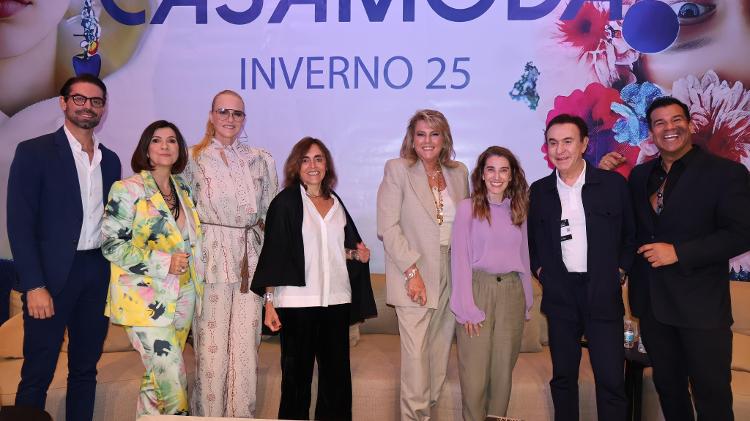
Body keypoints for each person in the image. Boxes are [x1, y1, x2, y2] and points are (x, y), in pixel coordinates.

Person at [601, 96, 750, 421]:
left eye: (676, 120)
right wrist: (604, 177)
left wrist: (679, 252)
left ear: (690, 124)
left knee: (712, 400)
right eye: (659, 123)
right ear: (651, 132)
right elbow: (625, 226)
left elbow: (742, 233)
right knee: (669, 394)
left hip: (702, 310)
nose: (669, 128)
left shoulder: (726, 173)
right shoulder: (640, 176)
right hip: (653, 308)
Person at [6, 73, 121, 421]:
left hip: (96, 273)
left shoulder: (111, 160)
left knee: (85, 369)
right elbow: (20, 225)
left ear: (103, 109)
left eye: (96, 101)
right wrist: (34, 286)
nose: (88, 106)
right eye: (80, 99)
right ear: (64, 103)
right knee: (38, 370)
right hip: (51, 277)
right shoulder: (34, 152)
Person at [251, 137, 377, 421]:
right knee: (296, 383)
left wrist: (357, 255)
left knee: (337, 382)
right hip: (296, 305)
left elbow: (335, 250)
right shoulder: (285, 203)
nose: (312, 165)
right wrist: (269, 304)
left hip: (336, 301)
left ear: (326, 165)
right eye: (306, 159)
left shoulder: (336, 202)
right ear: (296, 165)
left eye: (318, 159)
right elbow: (275, 256)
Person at [527, 114, 635, 421]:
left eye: (568, 141)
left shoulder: (613, 185)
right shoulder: (540, 191)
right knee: (563, 378)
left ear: (585, 144)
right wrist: (541, 272)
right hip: (561, 295)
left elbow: (631, 235)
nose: (560, 150)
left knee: (612, 380)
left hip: (602, 292)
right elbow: (532, 242)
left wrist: (620, 271)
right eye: (553, 142)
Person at [184, 90, 278, 417]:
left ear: (244, 119)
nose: (229, 119)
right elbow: (179, 214)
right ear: (211, 115)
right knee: (211, 353)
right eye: (223, 111)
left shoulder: (261, 160)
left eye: (237, 113)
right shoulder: (191, 158)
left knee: (245, 351)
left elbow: (269, 220)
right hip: (207, 260)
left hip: (248, 264)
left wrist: (270, 289)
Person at [101, 120, 203, 417]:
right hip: (143, 301)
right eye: (157, 141)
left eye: (172, 141)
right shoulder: (126, 189)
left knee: (156, 379)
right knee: (172, 380)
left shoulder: (182, 187)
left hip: (183, 295)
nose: (165, 146)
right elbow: (111, 246)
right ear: (146, 148)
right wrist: (164, 262)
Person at [376, 109, 469, 421]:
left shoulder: (459, 173)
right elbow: (387, 228)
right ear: (411, 139)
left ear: (444, 139)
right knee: (416, 358)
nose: (427, 140)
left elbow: (467, 227)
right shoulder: (398, 169)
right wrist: (411, 272)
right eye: (421, 134)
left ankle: (426, 413)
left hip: (451, 270)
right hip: (413, 272)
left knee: (439, 353)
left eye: (434, 133)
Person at [449, 146, 534, 421]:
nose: (497, 176)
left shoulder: (518, 209)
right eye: (491, 169)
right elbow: (459, 259)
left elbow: (524, 256)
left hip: (511, 295)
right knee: (474, 378)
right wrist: (466, 308)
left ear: (511, 176)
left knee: (502, 377)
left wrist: (527, 300)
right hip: (478, 291)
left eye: (503, 170)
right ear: (482, 175)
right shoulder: (467, 208)